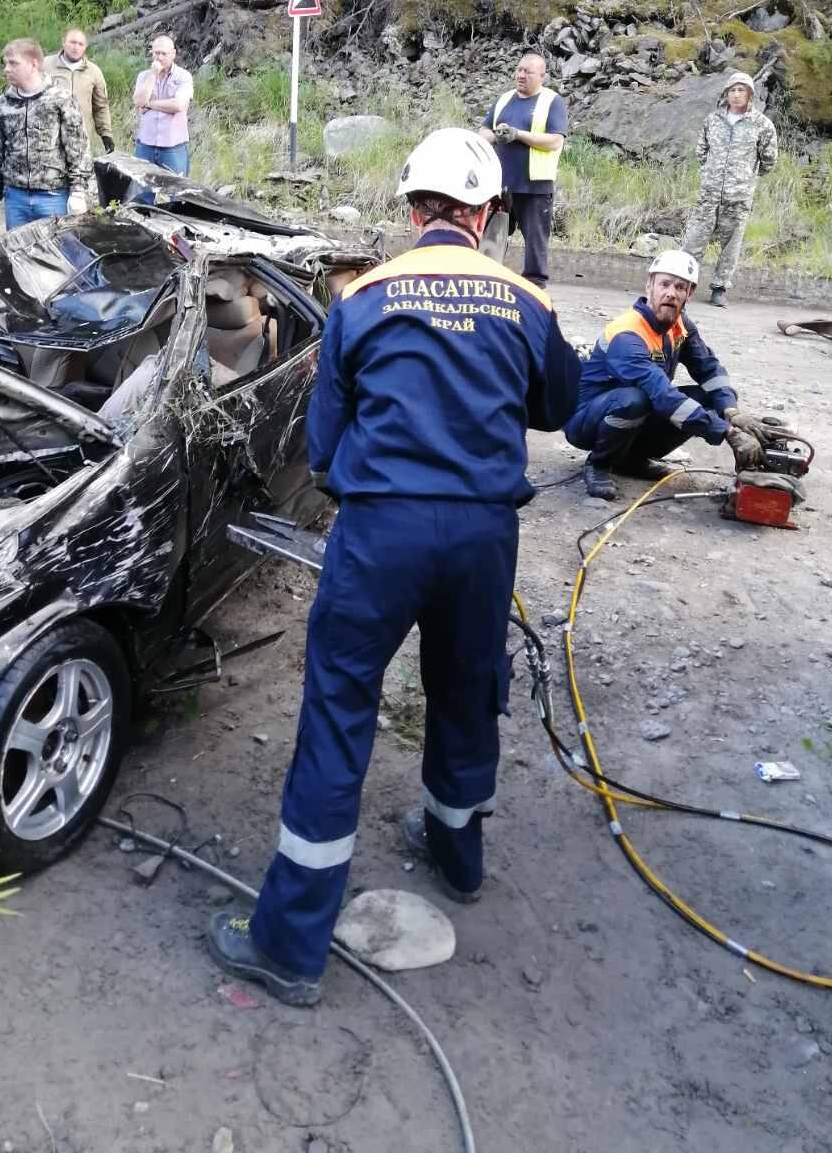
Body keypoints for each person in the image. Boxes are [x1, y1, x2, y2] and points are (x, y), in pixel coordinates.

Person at [206, 129, 581, 1007]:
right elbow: (562, 407)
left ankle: (291, 947)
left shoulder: (362, 296)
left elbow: (326, 446)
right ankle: (458, 854)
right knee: (464, 686)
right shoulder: (525, 298)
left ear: (412, 210)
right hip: (484, 536)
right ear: (487, 215)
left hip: (381, 533)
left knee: (340, 707)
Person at [565, 249, 771, 502]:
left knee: (706, 396)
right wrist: (727, 432)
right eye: (664, 284)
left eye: (680, 287)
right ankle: (599, 464)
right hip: (586, 421)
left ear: (689, 293)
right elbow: (662, 394)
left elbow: (709, 369)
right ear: (649, 285)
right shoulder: (627, 335)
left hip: (638, 412)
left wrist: (731, 411)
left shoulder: (681, 326)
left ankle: (631, 459)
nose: (671, 293)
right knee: (635, 399)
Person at [682, 70, 778, 308]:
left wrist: (746, 178)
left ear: (750, 95)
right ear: (726, 94)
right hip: (709, 193)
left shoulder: (762, 125)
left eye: (741, 90)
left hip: (738, 196)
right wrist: (709, 174)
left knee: (731, 244)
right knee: (694, 240)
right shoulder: (713, 120)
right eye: (732, 90)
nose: (736, 95)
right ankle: (683, 285)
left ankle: (719, 288)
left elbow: (769, 160)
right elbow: (701, 151)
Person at [479, 51, 568, 288]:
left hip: (535, 186)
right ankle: (483, 280)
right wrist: (497, 136)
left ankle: (535, 290)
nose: (521, 75)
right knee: (489, 237)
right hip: (499, 184)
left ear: (542, 76)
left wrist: (518, 135)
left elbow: (555, 141)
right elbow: (484, 130)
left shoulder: (552, 101)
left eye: (527, 72)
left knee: (536, 244)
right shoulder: (504, 98)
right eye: (519, 70)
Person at [0, 38, 91, 230]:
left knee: (57, 256)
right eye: (5, 63)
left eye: (13, 63)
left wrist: (78, 191)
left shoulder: (60, 98)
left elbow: (78, 147)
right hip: (16, 197)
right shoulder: (1, 105)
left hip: (53, 196)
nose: (7, 69)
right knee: (18, 255)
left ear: (34, 64)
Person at [43, 28, 115, 156]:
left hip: (80, 138)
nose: (76, 47)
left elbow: (101, 106)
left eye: (80, 44)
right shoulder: (46, 65)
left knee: (78, 175)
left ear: (85, 47)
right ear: (63, 42)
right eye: (72, 42)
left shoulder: (93, 71)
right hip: (49, 138)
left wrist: (106, 135)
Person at [132, 35, 193, 175]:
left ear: (173, 54)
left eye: (163, 54)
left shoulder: (183, 76)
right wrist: (153, 74)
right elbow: (139, 101)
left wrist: (150, 104)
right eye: (156, 53)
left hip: (173, 146)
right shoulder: (143, 76)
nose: (159, 57)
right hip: (145, 144)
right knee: (141, 191)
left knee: (177, 192)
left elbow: (178, 105)